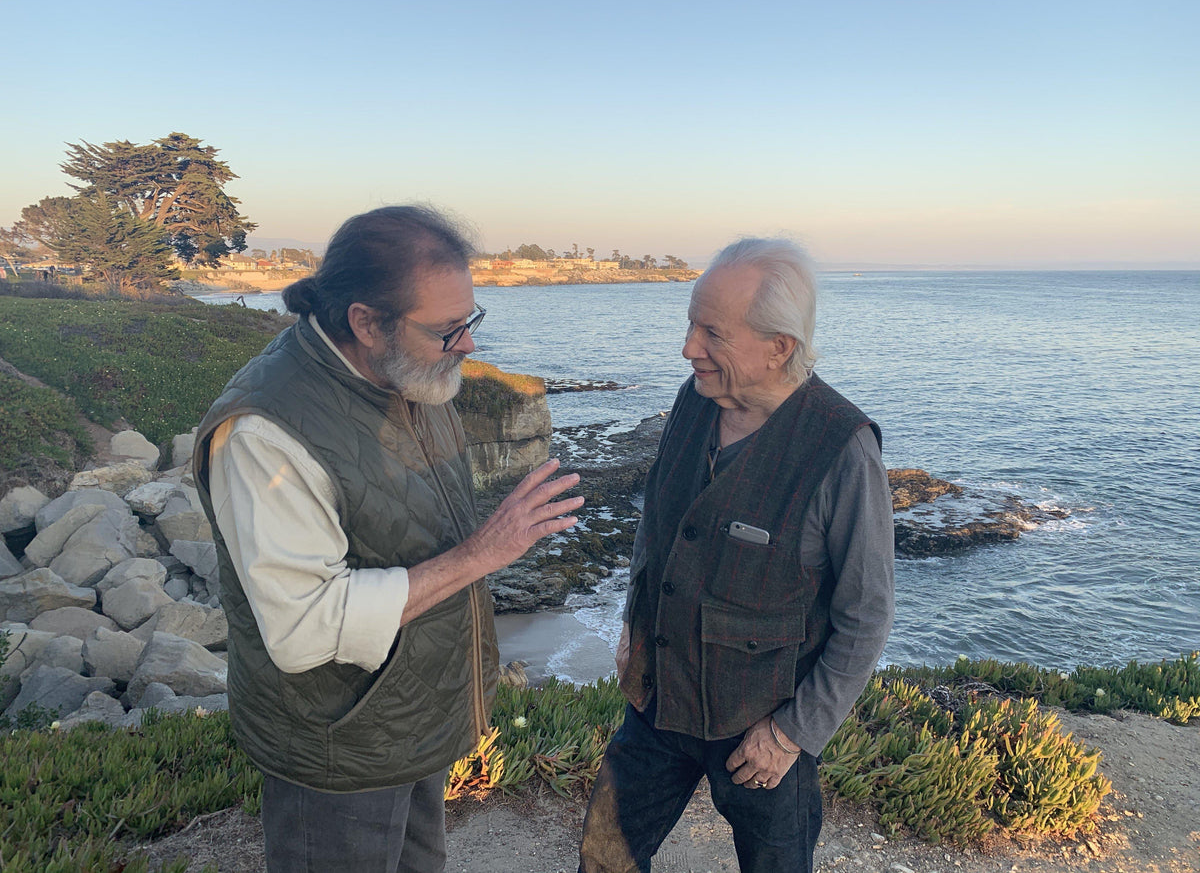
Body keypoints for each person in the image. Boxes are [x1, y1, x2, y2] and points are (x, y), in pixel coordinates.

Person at [193, 205, 584, 873]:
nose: (467, 345)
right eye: (446, 331)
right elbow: (303, 630)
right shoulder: (265, 433)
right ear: (365, 322)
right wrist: (484, 554)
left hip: (412, 722)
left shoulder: (406, 373)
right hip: (339, 747)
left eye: (471, 320)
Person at [579, 238, 895, 873]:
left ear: (779, 346)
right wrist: (630, 628)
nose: (689, 347)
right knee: (604, 858)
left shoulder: (843, 449)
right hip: (659, 701)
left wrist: (792, 735)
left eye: (712, 332)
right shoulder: (693, 400)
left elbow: (865, 616)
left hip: (761, 729)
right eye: (691, 324)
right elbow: (658, 521)